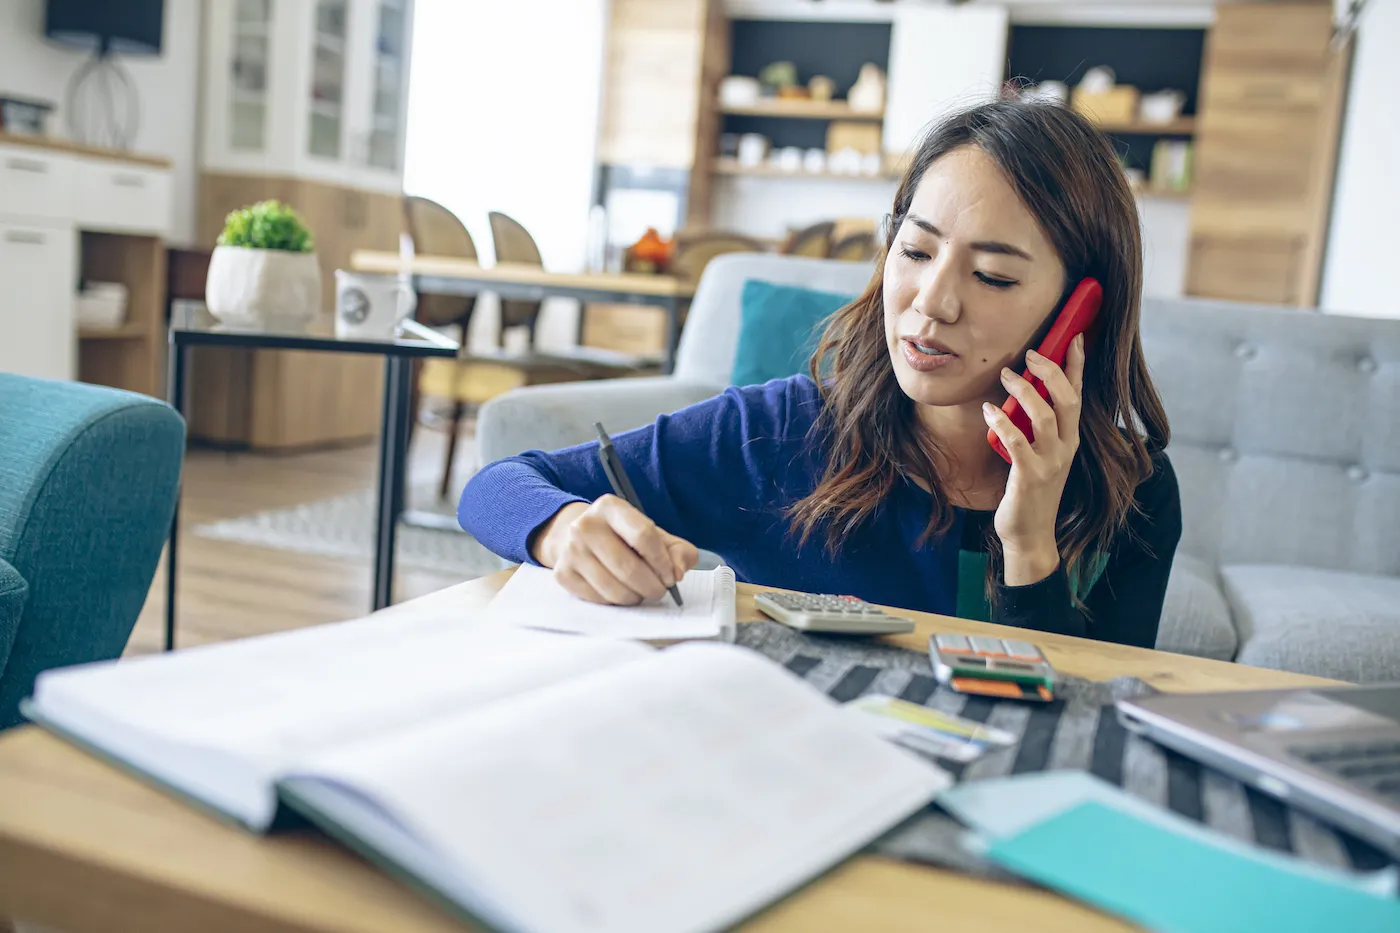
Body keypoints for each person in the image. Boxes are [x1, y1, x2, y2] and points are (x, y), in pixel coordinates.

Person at [460, 101, 1181, 648]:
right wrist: (562, 529)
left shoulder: (1135, 490)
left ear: (1079, 309)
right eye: (917, 251)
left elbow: (1079, 729)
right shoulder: (779, 433)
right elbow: (498, 484)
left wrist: (1028, 548)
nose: (932, 303)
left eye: (992, 275)